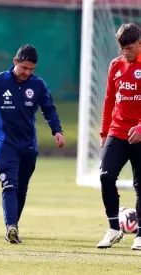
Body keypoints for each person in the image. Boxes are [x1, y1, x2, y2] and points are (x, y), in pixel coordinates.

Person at [0, 44, 64, 244]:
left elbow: (49, 109)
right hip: (5, 144)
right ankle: (11, 226)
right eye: (24, 68)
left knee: (21, 188)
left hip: (28, 146)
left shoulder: (38, 84)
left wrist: (56, 130)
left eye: (31, 69)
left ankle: (14, 226)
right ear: (15, 62)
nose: (27, 73)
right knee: (9, 185)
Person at [96, 23, 141, 250]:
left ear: (139, 43)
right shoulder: (115, 66)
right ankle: (114, 229)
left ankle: (140, 235)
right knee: (105, 176)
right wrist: (104, 132)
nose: (125, 51)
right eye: (122, 47)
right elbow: (108, 100)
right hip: (118, 131)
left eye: (130, 47)